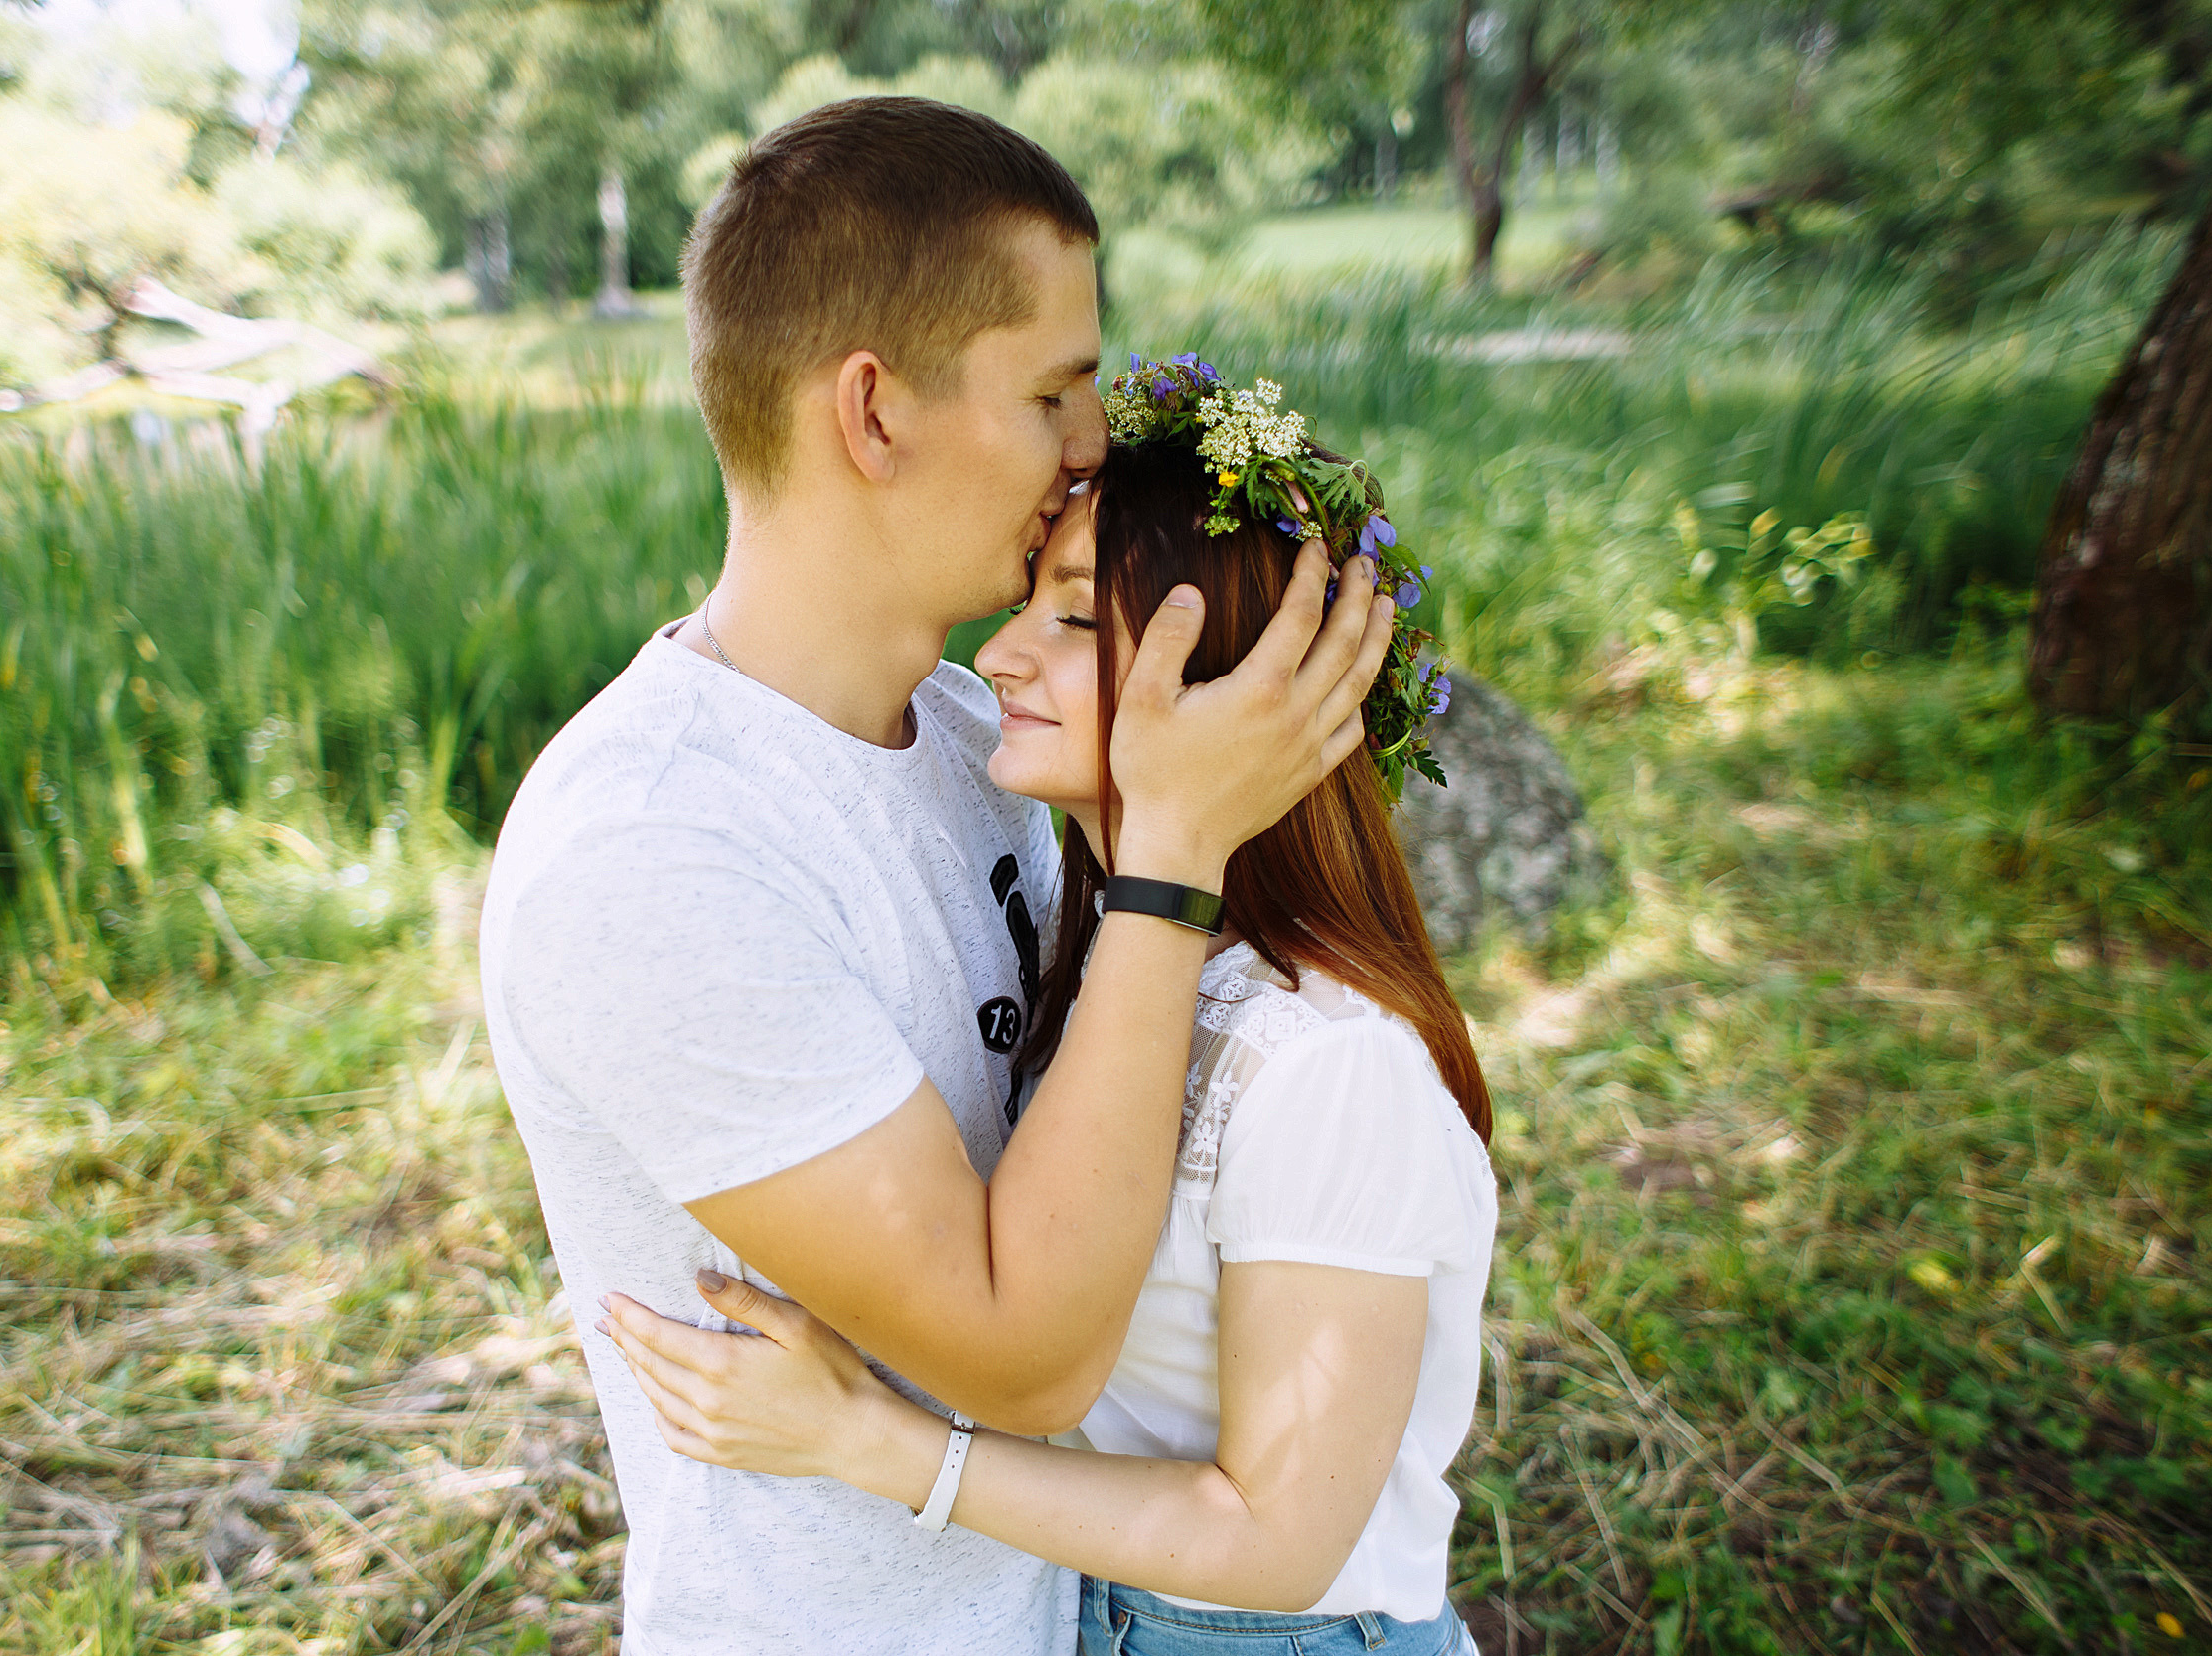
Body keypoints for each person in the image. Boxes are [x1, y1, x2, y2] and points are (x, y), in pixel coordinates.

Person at [477, 102, 1399, 1655]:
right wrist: (1170, 859)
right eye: (1053, 389)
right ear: (875, 414)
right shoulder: (650, 852)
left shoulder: (977, 733)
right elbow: (1022, 1359)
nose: (1094, 443)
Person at [597, 358, 1496, 1656]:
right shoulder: (1127, 966)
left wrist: (867, 1438)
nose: (1000, 654)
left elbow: (1283, 1540)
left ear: (1238, 678)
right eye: (1029, 599)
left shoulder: (1326, 1065)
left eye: (1077, 622)